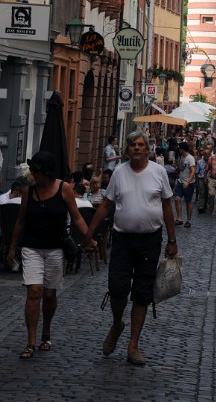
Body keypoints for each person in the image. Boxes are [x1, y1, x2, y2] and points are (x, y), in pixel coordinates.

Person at [86, 131, 177, 367]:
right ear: (127, 150)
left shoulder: (158, 173)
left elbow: (167, 206)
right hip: (123, 240)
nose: (137, 148)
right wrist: (90, 233)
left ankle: (133, 345)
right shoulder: (119, 172)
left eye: (140, 145)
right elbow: (106, 204)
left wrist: (172, 239)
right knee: (117, 288)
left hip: (150, 240)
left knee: (142, 292)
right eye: (132, 145)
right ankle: (117, 324)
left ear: (147, 149)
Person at [7, 151, 93, 359]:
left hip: (55, 248)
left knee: (49, 294)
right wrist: (12, 247)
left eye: (36, 171)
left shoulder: (63, 189)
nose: (33, 174)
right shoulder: (29, 192)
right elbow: (20, 221)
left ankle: (46, 329)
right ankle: (31, 341)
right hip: (32, 247)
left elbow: (76, 217)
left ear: (46, 172)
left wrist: (90, 238)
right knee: (34, 291)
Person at [174, 142, 196, 228]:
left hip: (189, 183)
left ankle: (188, 220)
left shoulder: (190, 158)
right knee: (177, 199)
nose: (178, 150)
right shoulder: (181, 157)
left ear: (182, 149)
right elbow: (181, 168)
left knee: (188, 202)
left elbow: (193, 171)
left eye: (179, 149)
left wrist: (188, 182)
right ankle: (179, 219)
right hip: (180, 181)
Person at [195, 147, 208, 214]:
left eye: (208, 154)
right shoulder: (199, 162)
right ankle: (200, 207)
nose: (206, 156)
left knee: (207, 193)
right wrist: (196, 182)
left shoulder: (210, 161)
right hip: (201, 179)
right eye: (205, 154)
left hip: (209, 180)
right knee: (202, 193)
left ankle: (205, 205)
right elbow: (196, 172)